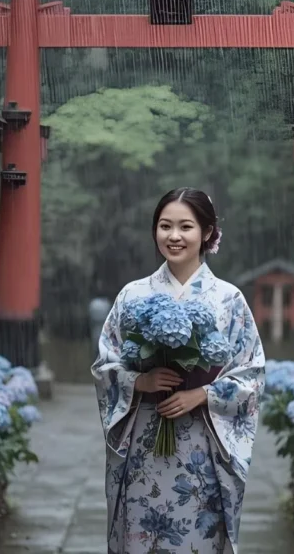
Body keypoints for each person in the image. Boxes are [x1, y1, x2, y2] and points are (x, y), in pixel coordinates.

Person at [91, 187, 266, 554]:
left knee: (196, 537)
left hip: (202, 442)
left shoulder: (228, 299)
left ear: (207, 232)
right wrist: (141, 381)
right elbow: (105, 364)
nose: (173, 236)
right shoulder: (133, 295)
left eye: (185, 226)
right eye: (164, 226)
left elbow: (252, 372)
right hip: (144, 440)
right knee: (141, 533)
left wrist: (202, 393)